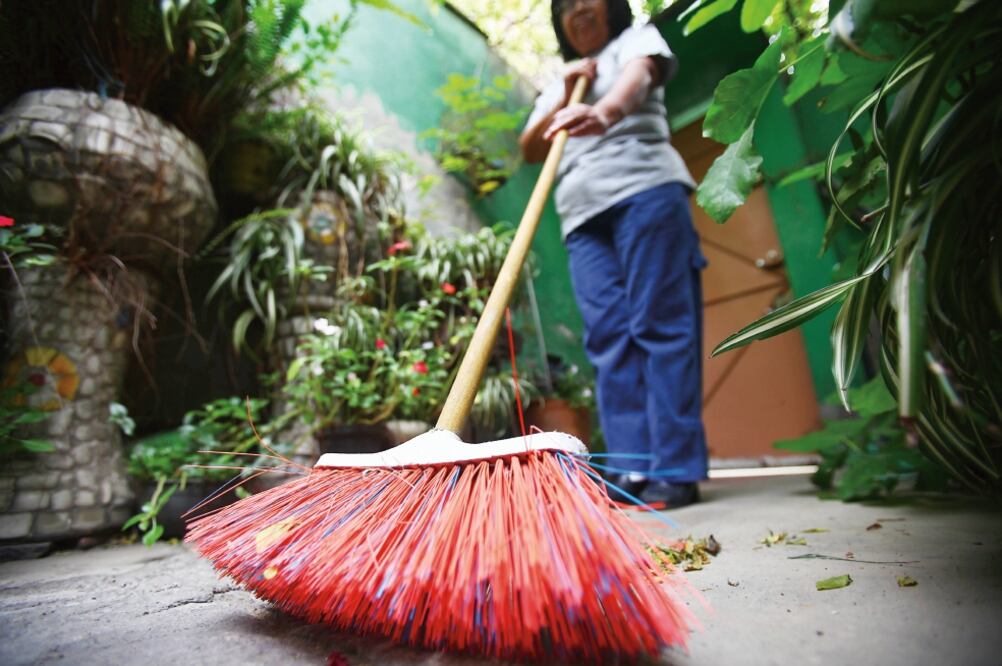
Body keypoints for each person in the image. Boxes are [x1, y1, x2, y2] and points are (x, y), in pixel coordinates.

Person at [519, 0, 707, 508]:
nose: (578, 8)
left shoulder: (633, 41)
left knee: (660, 326)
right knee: (608, 340)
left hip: (644, 190)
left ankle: (674, 468)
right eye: (566, 5)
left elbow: (640, 77)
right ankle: (629, 469)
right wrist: (565, 94)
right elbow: (530, 147)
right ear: (559, 23)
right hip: (582, 218)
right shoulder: (561, 81)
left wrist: (602, 111)